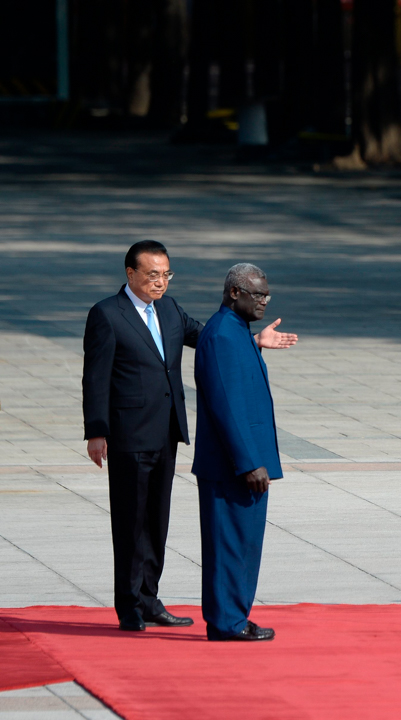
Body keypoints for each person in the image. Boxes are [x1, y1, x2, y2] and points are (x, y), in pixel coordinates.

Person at [82, 241, 297, 632]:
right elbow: (95, 378)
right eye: (152, 274)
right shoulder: (107, 314)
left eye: (166, 274)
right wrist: (97, 431)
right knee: (131, 523)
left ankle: (149, 599)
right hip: (129, 434)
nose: (160, 282)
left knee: (156, 522)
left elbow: (210, 340)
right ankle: (129, 606)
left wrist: (254, 342)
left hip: (166, 432)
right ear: (130, 274)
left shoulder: (169, 308)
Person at [193, 264, 284, 642]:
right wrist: (248, 462)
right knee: (228, 546)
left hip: (244, 463)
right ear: (234, 293)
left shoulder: (237, 333)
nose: (263, 301)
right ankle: (226, 622)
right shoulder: (221, 337)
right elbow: (226, 406)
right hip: (233, 466)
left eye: (266, 295)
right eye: (257, 294)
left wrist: (258, 344)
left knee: (244, 545)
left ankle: (235, 616)